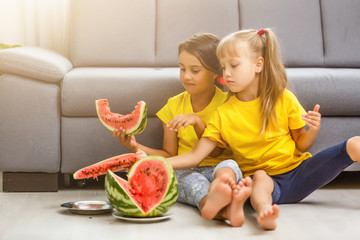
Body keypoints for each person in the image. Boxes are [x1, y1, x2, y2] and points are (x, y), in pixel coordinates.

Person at [167, 28, 360, 230]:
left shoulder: (283, 98)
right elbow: (196, 156)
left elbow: (302, 145)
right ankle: (265, 213)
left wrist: (313, 129)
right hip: (260, 183)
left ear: (258, 64)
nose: (227, 74)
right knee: (260, 176)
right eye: (223, 67)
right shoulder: (223, 113)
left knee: (354, 144)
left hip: (299, 174)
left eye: (233, 65)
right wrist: (155, 161)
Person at [113, 33, 250, 226]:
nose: (186, 76)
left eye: (195, 70)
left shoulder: (227, 103)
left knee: (229, 165)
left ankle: (223, 189)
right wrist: (136, 147)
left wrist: (197, 122)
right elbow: (169, 154)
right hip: (184, 169)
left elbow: (218, 150)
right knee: (190, 183)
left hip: (217, 166)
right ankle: (220, 208)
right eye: (182, 69)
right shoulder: (173, 106)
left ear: (215, 72)